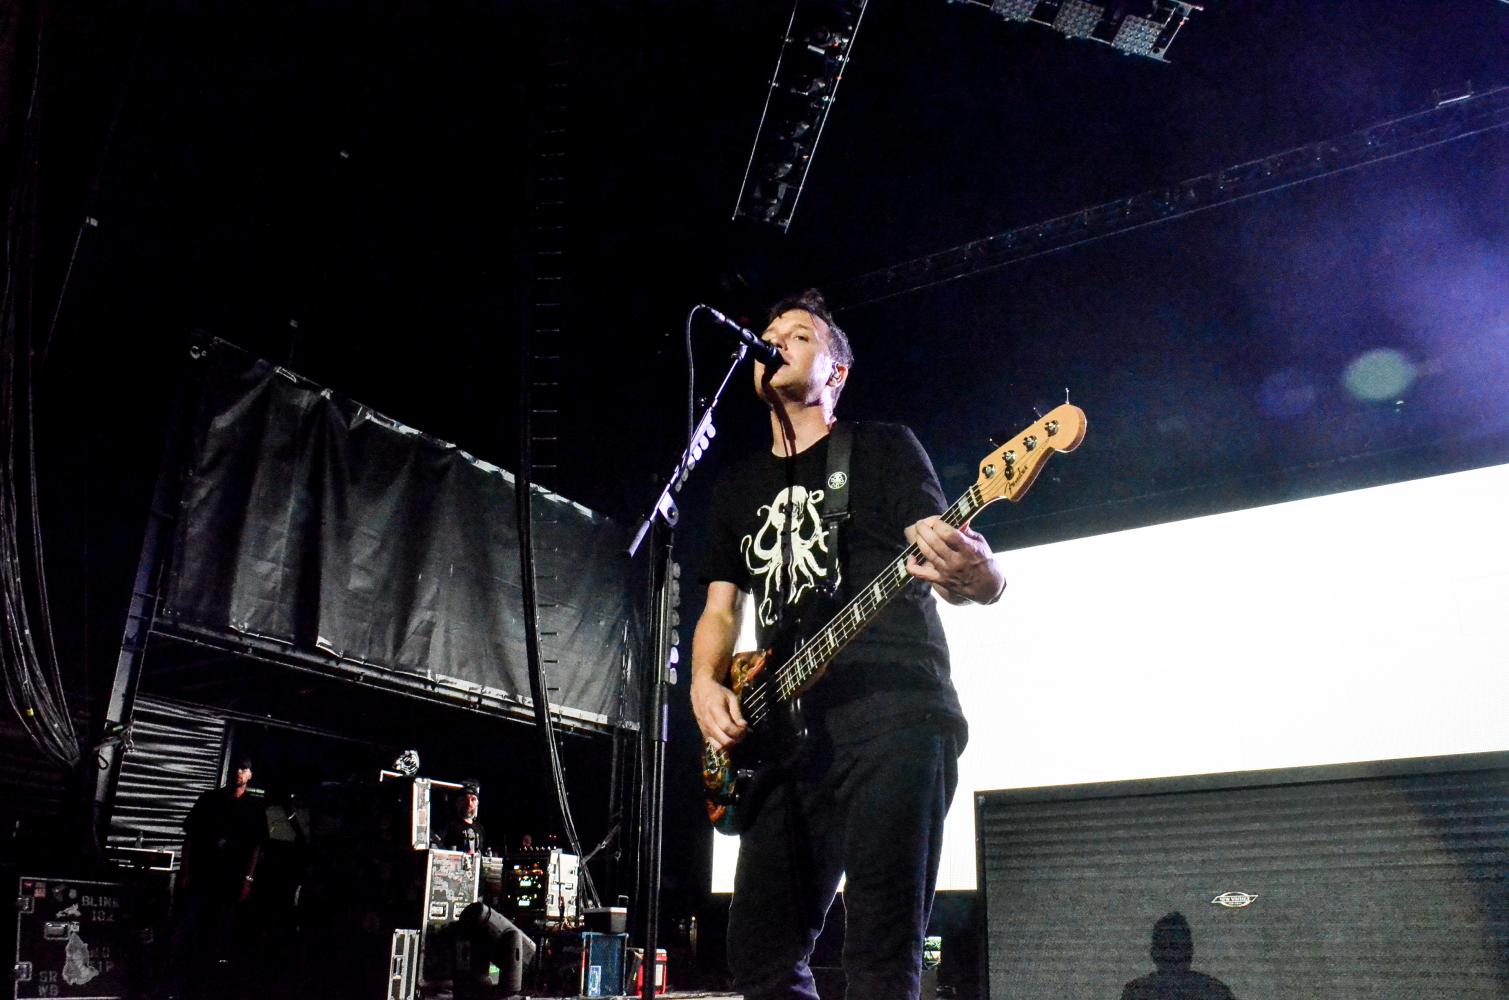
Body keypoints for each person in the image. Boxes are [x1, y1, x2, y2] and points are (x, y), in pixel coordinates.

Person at [690, 290, 1005, 1000]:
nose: (775, 341)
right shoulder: (737, 485)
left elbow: (947, 560)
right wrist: (704, 684)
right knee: (759, 958)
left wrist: (982, 575)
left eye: (798, 335)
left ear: (835, 372)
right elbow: (719, 608)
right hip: (781, 732)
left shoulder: (882, 447)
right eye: (767, 334)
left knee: (879, 955)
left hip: (893, 711)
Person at [169, 755, 267, 995]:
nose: (239, 773)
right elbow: (190, 837)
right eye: (236, 768)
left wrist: (248, 879)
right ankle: (176, 976)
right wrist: (185, 870)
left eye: (244, 769)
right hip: (202, 874)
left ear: (250, 775)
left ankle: (207, 981)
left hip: (230, 879)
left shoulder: (254, 808)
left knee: (220, 928)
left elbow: (256, 846)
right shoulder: (209, 800)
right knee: (187, 924)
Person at [1121, 912, 1236, 1000]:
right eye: (1163, 947)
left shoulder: (1213, 992)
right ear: (1153, 952)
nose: (1170, 954)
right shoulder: (1136, 993)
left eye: (1175, 947)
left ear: (1189, 951)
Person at [432, 780, 487, 855]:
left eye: (473, 799)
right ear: (457, 802)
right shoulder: (448, 824)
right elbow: (435, 846)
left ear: (477, 803)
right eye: (464, 799)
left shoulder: (480, 828)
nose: (469, 803)